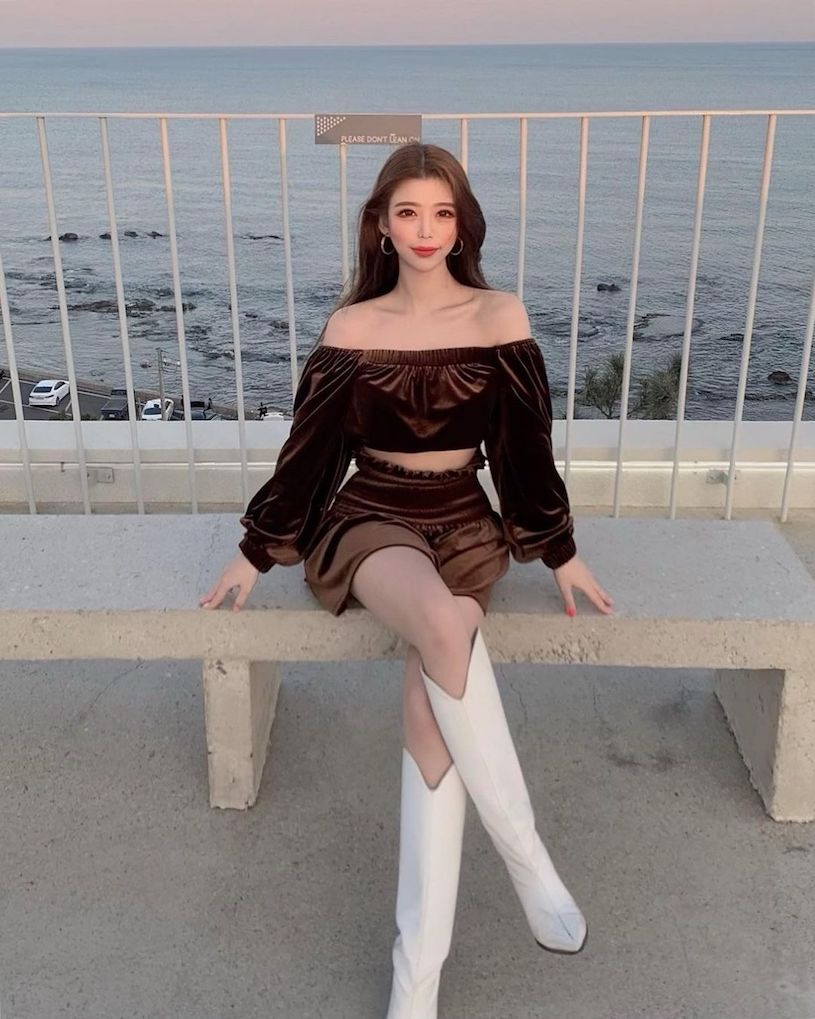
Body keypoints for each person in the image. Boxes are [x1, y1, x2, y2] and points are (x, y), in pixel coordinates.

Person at [199, 142, 614, 1019]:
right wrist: (256, 548)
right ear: (381, 227)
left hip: (463, 519)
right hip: (371, 516)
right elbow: (309, 456)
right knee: (439, 620)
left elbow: (524, 450)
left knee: (432, 710)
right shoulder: (354, 328)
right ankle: (529, 863)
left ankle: (415, 978)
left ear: (462, 225)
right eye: (407, 213)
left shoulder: (499, 315)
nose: (426, 230)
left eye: (441, 213)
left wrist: (559, 548)